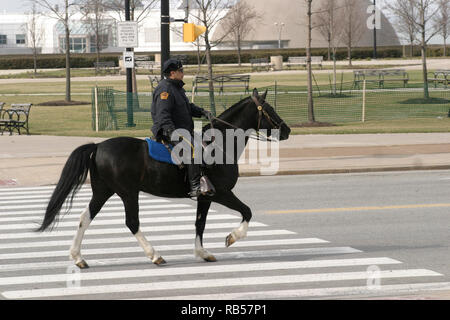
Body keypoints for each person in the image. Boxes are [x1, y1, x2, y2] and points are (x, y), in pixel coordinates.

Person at [151, 58, 213, 198]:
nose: (183, 73)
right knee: (193, 148)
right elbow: (163, 114)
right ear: (173, 73)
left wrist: (202, 112)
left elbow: (187, 107)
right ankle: (195, 186)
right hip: (169, 131)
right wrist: (172, 132)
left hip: (182, 129)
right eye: (181, 71)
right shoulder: (165, 89)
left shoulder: (176, 88)